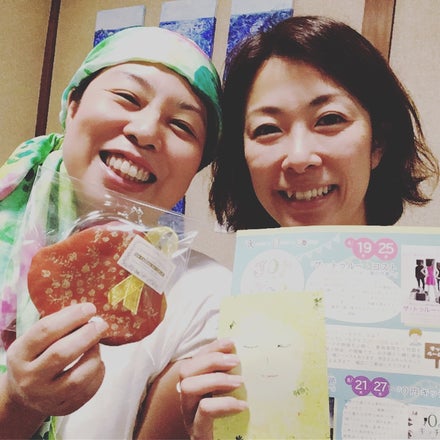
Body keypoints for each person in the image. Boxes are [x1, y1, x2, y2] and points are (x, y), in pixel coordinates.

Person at [136, 16, 439, 439]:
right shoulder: (208, 348)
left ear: (378, 143)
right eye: (267, 129)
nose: (298, 157)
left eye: (329, 119)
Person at [0, 26, 229, 439]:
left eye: (182, 125)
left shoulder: (205, 295)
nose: (146, 131)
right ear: (73, 105)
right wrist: (18, 404)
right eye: (127, 97)